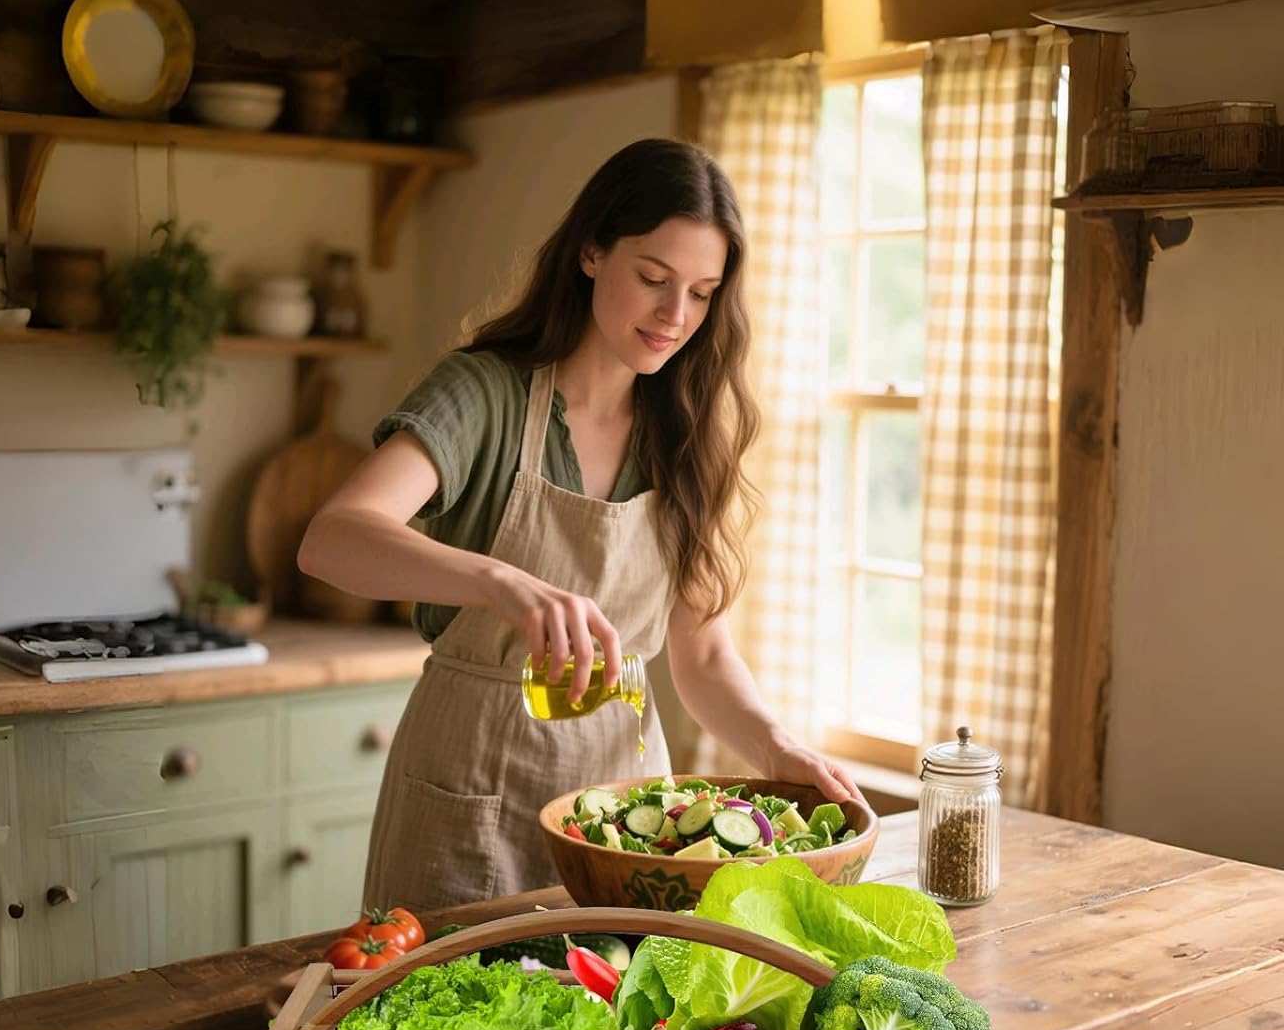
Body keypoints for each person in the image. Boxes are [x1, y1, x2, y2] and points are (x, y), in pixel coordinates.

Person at [298, 137, 861, 914]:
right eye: (654, 279)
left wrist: (776, 746)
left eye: (701, 292)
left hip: (623, 810)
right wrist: (502, 583)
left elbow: (699, 652)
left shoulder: (689, 433)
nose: (675, 316)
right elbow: (333, 537)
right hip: (467, 791)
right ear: (592, 252)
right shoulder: (484, 394)